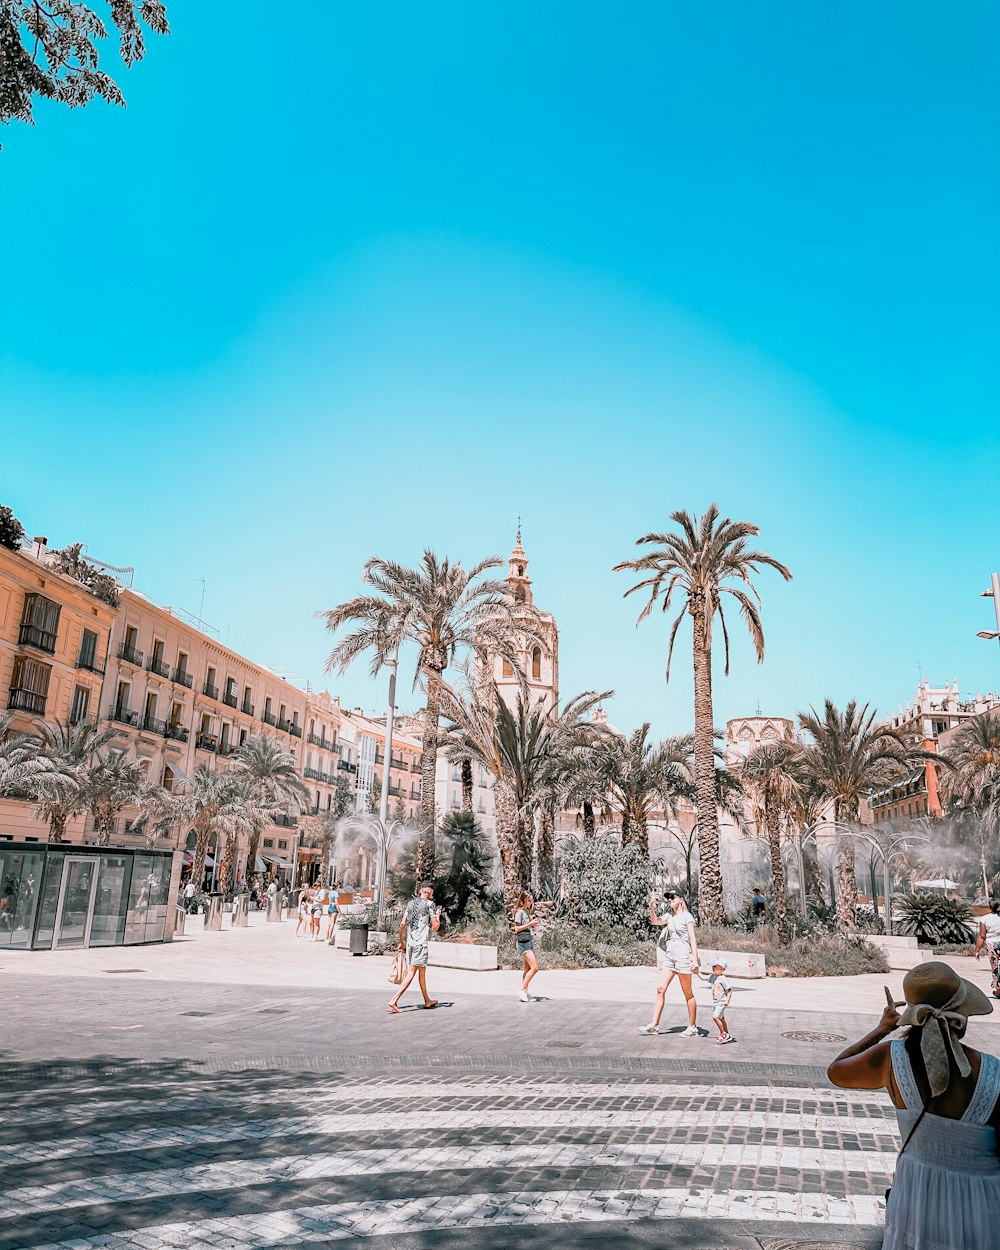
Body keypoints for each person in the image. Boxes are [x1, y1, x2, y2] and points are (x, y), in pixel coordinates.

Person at [828, 961, 999, 1250]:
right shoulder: (992, 1072)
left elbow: (837, 1070)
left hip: (916, 1195)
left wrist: (882, 1029)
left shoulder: (890, 1059)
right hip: (980, 1201)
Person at [639, 890, 701, 1037]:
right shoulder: (669, 917)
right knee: (660, 988)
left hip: (683, 958)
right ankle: (654, 1025)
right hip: (670, 957)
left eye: (673, 898)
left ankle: (692, 1027)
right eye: (668, 899)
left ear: (681, 899)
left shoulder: (687, 917)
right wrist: (652, 905)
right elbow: (654, 921)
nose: (670, 900)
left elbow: (693, 939)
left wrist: (694, 960)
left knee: (687, 992)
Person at [389, 882, 440, 1013]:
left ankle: (427, 1001)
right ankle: (394, 1000)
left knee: (422, 972)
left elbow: (402, 924)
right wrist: (438, 915)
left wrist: (401, 942)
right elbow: (435, 928)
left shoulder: (411, 904)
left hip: (411, 943)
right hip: (420, 944)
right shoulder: (430, 905)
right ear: (428, 892)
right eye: (431, 893)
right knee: (411, 972)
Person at [513, 891, 541, 1003]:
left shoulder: (525, 912)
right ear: (524, 900)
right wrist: (530, 924)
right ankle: (522, 990)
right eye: (529, 900)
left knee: (527, 969)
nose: (531, 902)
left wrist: (532, 925)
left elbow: (525, 927)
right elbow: (516, 929)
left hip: (528, 941)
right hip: (523, 943)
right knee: (535, 968)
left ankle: (524, 992)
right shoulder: (519, 912)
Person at [699, 959, 734, 1043]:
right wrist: (697, 971)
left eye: (715, 967)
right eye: (713, 967)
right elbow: (703, 977)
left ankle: (723, 1033)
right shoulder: (713, 976)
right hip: (716, 1003)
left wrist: (727, 1001)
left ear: (722, 969)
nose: (713, 968)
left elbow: (729, 990)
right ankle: (727, 1034)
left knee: (715, 1017)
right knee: (721, 1018)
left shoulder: (723, 979)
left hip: (722, 1002)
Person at [974, 903, 1000, 998]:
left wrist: (977, 951)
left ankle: (998, 990)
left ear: (990, 907)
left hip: (992, 945)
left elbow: (982, 936)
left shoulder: (985, 919)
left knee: (995, 966)